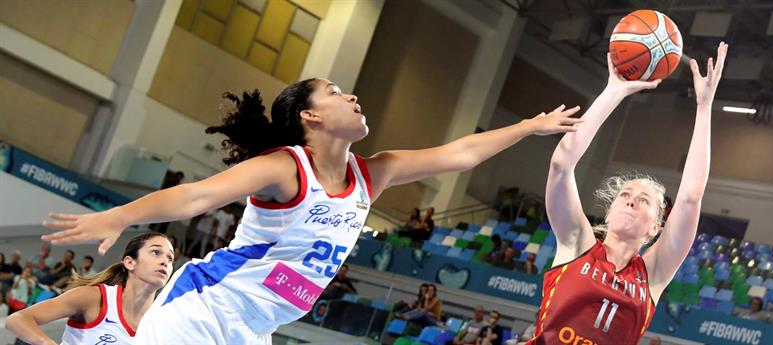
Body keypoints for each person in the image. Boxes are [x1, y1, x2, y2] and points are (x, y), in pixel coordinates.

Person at [41, 78, 581, 343]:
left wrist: (530, 126)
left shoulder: (374, 171)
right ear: (310, 117)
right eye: (337, 92)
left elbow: (460, 153)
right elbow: (195, 197)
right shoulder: (286, 168)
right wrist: (119, 216)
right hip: (203, 309)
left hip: (253, 327)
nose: (353, 98)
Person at [530, 43, 728, 345]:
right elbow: (561, 165)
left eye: (644, 199)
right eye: (624, 194)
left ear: (655, 227)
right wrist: (614, 91)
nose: (631, 199)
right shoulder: (576, 244)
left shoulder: (654, 273)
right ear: (608, 212)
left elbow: (690, 197)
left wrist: (704, 107)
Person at [5, 232, 174, 345]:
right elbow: (17, 319)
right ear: (130, 262)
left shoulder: (160, 324)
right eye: (156, 252)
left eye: (170, 258)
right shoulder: (94, 298)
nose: (165, 261)